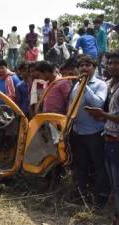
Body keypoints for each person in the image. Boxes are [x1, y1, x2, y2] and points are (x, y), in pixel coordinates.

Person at [69, 55, 110, 210]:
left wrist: (85, 86)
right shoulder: (75, 85)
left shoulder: (100, 84)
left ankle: (101, 200)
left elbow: (98, 103)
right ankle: (82, 196)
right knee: (82, 166)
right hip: (78, 133)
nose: (84, 68)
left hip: (94, 133)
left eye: (88, 65)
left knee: (100, 167)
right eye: (82, 65)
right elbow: (72, 106)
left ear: (94, 67)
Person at [84, 51, 119, 224]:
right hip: (109, 138)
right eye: (110, 63)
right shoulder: (110, 84)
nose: (112, 66)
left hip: (117, 141)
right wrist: (101, 116)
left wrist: (103, 114)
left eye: (116, 63)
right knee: (114, 184)